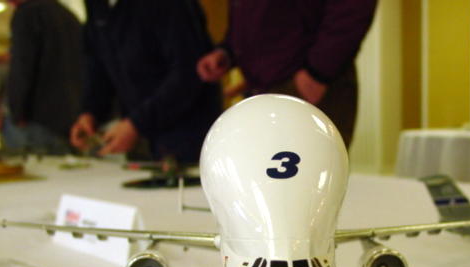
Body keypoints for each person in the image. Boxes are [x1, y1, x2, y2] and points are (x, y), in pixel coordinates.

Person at [196, 1, 378, 147]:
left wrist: (318, 73)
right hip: (264, 90)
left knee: (309, 175)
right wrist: (227, 52)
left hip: (309, 86)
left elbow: (353, 8)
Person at [70, 0, 221, 165]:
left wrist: (137, 124)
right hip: (141, 139)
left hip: (187, 137)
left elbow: (189, 72)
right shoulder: (96, 5)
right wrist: (90, 113)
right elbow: (98, 65)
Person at [7, 0, 83, 154]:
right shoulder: (67, 15)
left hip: (41, 118)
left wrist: (18, 111)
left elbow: (22, 66)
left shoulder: (27, 14)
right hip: (74, 116)